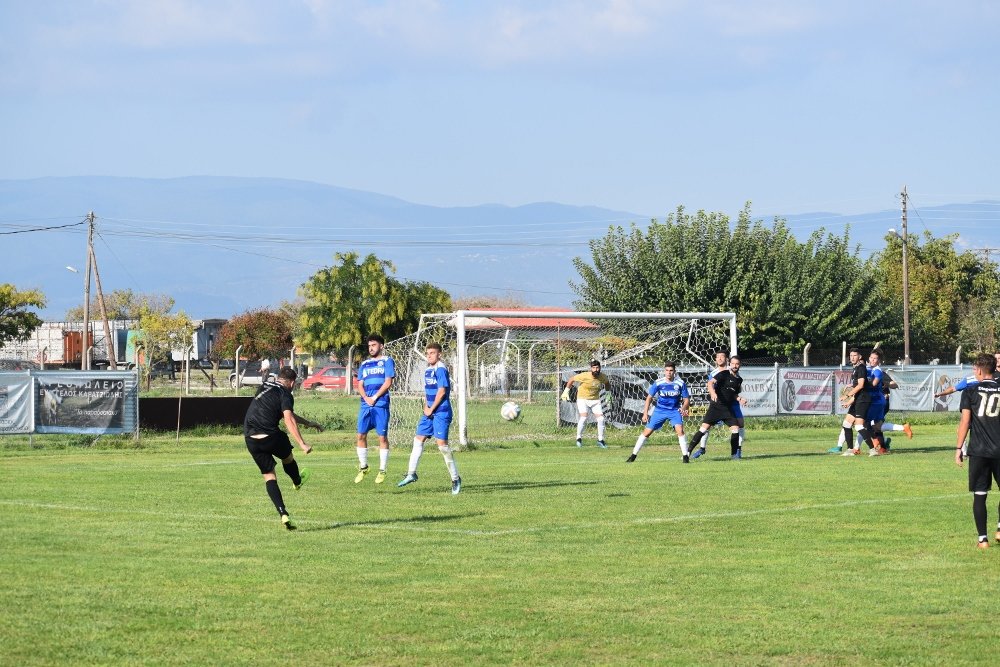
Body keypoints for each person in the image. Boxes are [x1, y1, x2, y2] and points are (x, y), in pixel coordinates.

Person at [243, 366, 323, 530]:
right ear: (292, 382)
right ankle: (297, 481)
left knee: (269, 477)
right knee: (288, 458)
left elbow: (284, 413)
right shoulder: (285, 394)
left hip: (250, 437)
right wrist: (302, 443)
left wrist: (308, 423)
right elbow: (288, 419)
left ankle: (283, 513)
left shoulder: (265, 385)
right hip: (271, 436)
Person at [397, 342, 462, 494]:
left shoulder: (441, 369)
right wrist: (426, 407)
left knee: (442, 447)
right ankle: (411, 473)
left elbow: (441, 391)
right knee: (418, 439)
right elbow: (429, 392)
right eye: (427, 353)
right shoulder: (427, 371)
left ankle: (455, 478)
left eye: (432, 353)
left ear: (439, 354)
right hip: (429, 412)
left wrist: (431, 409)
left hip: (441, 412)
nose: (429, 356)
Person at [954, 353, 1000, 549]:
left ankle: (983, 539)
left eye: (974, 369)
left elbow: (965, 421)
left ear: (980, 370)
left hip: (979, 451)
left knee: (980, 495)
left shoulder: (970, 391)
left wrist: (958, 448)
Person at [627, 361, 691, 463]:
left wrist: (683, 408)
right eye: (667, 370)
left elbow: (686, 400)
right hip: (660, 410)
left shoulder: (680, 383)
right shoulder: (658, 383)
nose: (669, 372)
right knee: (647, 432)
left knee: (680, 431)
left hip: (674, 410)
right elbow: (649, 398)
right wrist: (645, 413)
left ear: (675, 371)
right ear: (664, 371)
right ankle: (633, 455)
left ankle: (685, 457)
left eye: (671, 370)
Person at [689, 355, 748, 460]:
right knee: (703, 429)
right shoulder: (723, 373)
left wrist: (740, 399)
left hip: (727, 408)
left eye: (737, 364)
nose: (735, 366)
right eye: (733, 363)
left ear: (740, 365)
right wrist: (712, 393)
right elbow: (710, 382)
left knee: (735, 429)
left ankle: (734, 455)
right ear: (729, 363)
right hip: (716, 407)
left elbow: (733, 394)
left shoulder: (739, 379)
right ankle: (688, 452)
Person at [355, 334, 395, 484]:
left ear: (381, 346)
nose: (371, 348)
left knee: (382, 438)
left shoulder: (387, 361)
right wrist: (366, 398)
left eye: (374, 345)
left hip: (380, 403)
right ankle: (364, 467)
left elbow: (388, 382)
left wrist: (375, 397)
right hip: (366, 404)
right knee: (360, 436)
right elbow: (360, 384)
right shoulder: (365, 364)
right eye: (369, 346)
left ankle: (382, 470)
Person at [562, 359, 611, 448]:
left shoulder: (603, 377)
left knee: (601, 419)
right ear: (591, 369)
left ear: (600, 368)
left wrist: (608, 395)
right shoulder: (585, 376)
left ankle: (600, 440)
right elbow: (571, 379)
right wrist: (566, 391)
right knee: (584, 417)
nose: (596, 369)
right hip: (582, 399)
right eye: (594, 368)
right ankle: (579, 438)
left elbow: (607, 383)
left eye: (597, 367)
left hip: (595, 400)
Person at [839, 348, 877, 456]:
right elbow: (857, 388)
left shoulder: (861, 368)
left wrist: (847, 395)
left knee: (859, 426)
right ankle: (850, 450)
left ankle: (873, 449)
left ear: (859, 356)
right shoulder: (855, 368)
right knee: (846, 424)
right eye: (850, 356)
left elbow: (860, 385)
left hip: (863, 400)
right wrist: (849, 401)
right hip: (858, 399)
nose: (852, 358)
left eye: (854, 355)